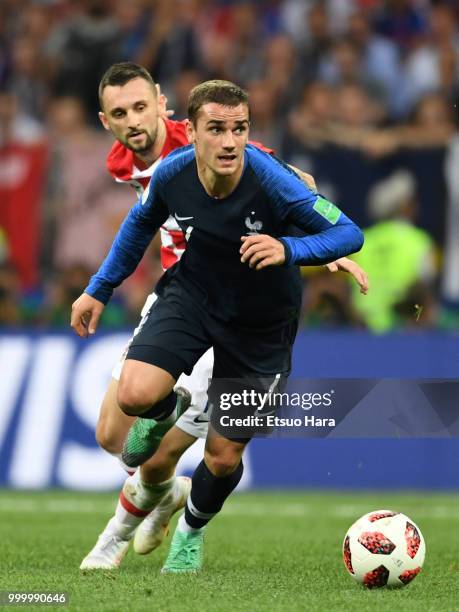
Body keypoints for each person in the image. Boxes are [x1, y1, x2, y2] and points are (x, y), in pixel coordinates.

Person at [71, 78, 364, 573]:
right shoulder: (158, 169)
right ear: (191, 130)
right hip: (194, 293)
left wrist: (297, 247)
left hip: (260, 322)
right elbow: (140, 224)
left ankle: (189, 529)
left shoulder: (264, 173)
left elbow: (344, 228)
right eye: (218, 129)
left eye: (239, 129)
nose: (230, 141)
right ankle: (167, 415)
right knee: (129, 408)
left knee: (223, 456)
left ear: (161, 107)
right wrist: (99, 287)